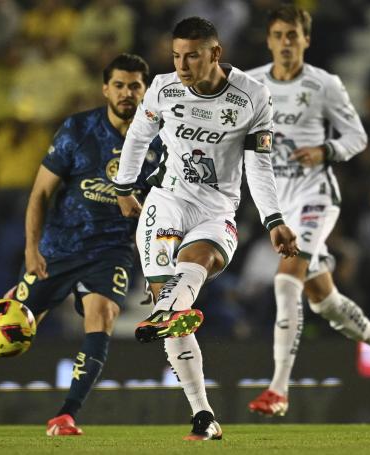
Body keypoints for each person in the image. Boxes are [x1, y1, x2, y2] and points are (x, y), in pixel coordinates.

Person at [114, 17, 299, 441]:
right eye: (177, 55)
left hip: (217, 211)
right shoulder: (162, 88)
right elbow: (138, 136)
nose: (182, 64)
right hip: (166, 203)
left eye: (192, 55)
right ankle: (203, 415)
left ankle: (164, 312)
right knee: (179, 308)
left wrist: (274, 219)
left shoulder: (252, 97)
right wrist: (124, 187)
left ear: (215, 53)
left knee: (194, 266)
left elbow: (259, 164)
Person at [245, 5, 370, 417]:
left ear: (306, 40)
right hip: (280, 204)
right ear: (269, 39)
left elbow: (357, 137)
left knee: (286, 279)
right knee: (322, 301)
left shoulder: (324, 84)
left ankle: (278, 389)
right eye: (278, 35)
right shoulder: (252, 84)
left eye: (293, 35)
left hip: (317, 196)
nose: (286, 43)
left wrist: (326, 149)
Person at [4, 54, 162, 436]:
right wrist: (31, 249)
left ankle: (67, 413)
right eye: (120, 85)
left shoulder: (160, 141)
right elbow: (40, 192)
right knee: (9, 335)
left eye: (135, 86)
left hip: (111, 251)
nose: (127, 93)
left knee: (103, 314)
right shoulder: (78, 130)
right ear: (105, 88)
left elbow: (164, 212)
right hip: (60, 246)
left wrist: (158, 270)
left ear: (147, 90)